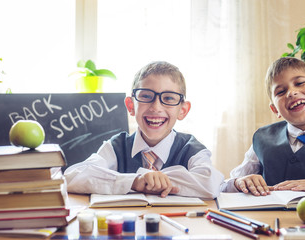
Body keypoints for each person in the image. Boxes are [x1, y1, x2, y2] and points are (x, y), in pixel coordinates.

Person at [64, 61, 224, 199]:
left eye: (168, 98)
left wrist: (157, 181)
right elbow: (73, 176)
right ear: (130, 106)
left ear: (183, 110)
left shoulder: (190, 148)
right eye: (146, 96)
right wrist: (135, 181)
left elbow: (211, 182)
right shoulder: (116, 146)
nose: (156, 107)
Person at [221, 57, 305, 196]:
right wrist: (239, 182)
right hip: (268, 217)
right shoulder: (262, 138)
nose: (291, 92)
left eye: (299, 83)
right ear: (275, 110)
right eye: (280, 92)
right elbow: (225, 186)